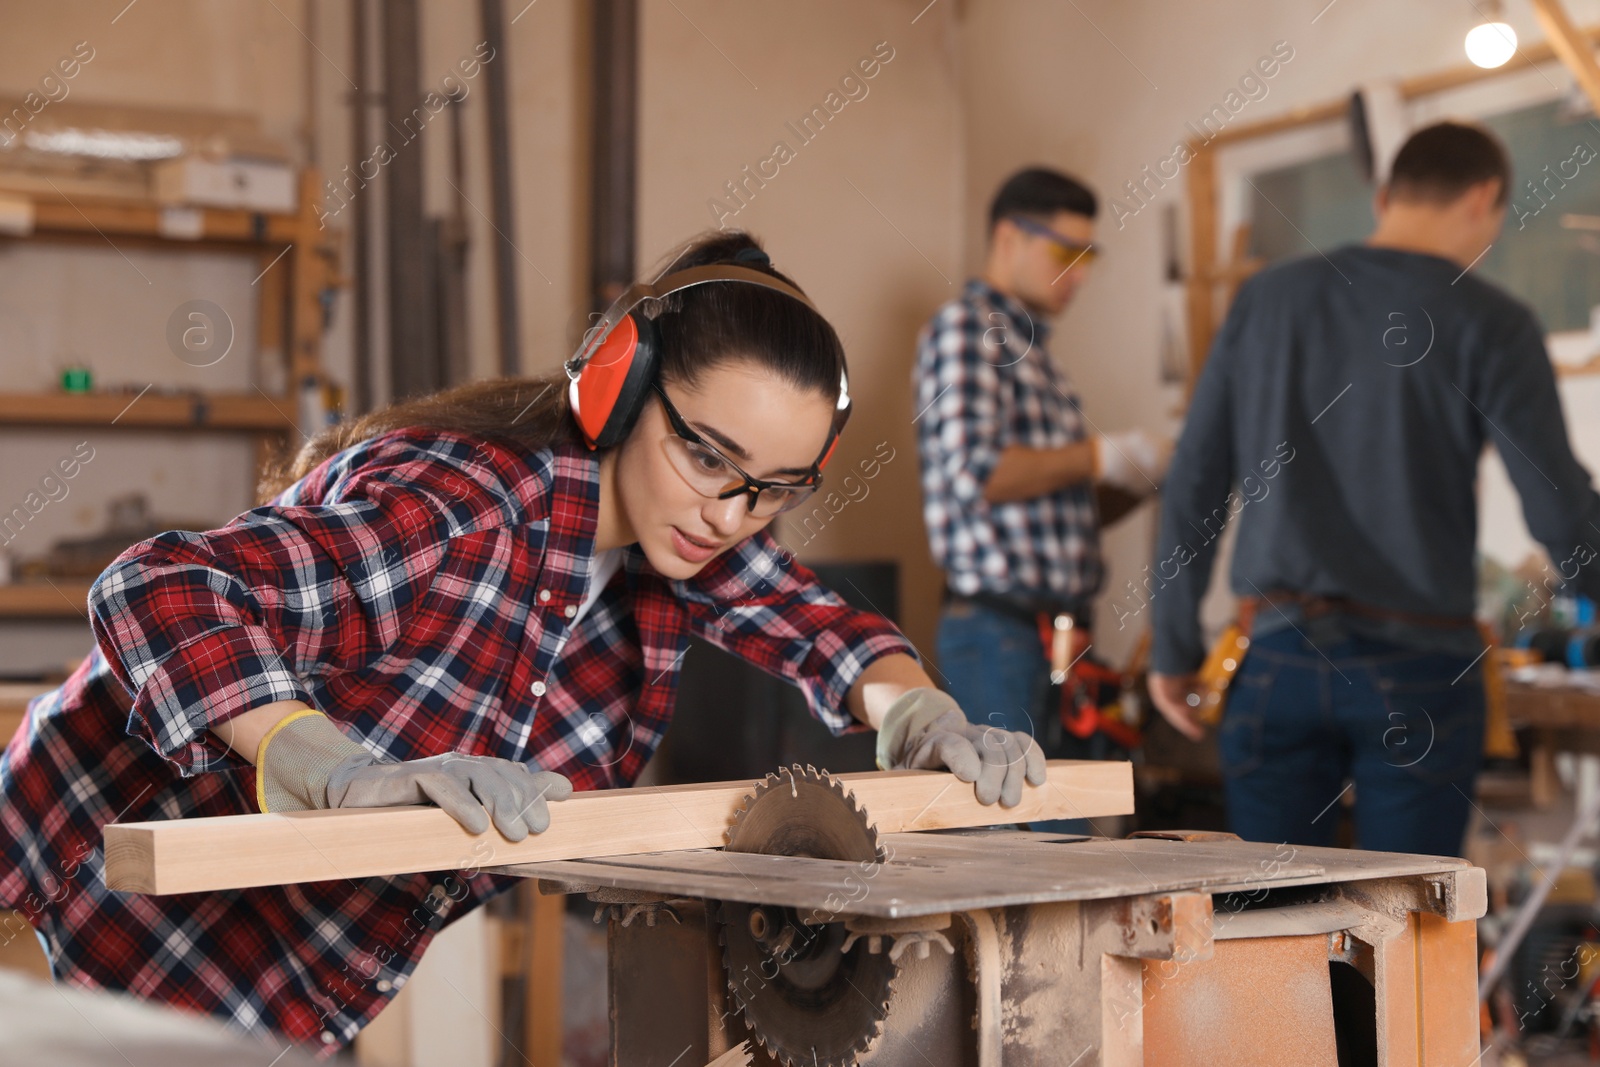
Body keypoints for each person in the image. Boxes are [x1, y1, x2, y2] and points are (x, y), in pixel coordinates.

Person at [0, 232, 1044, 1052]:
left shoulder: (678, 537)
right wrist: (334, 771)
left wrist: (916, 709)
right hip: (89, 883)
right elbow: (159, 588)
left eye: (772, 490)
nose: (731, 513)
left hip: (286, 977)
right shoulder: (461, 503)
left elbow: (825, 625)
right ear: (617, 386)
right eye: (708, 456)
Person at [1147, 122, 1600, 857]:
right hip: (1418, 668)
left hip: (1276, 657)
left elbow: (1195, 477)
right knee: (1409, 932)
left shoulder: (1269, 299)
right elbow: (1558, 507)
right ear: (1484, 197)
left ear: (1385, 196)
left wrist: (1171, 647)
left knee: (1266, 937)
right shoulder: (1493, 321)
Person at [913, 167, 1170, 824]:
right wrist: (1100, 454)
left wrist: (1138, 479)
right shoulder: (968, 330)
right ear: (1008, 236)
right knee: (1029, 837)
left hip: (1055, 636)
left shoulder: (1036, 355)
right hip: (999, 632)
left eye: (1089, 256)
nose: (1079, 273)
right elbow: (977, 472)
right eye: (1065, 252)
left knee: (1062, 828)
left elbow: (1055, 505)